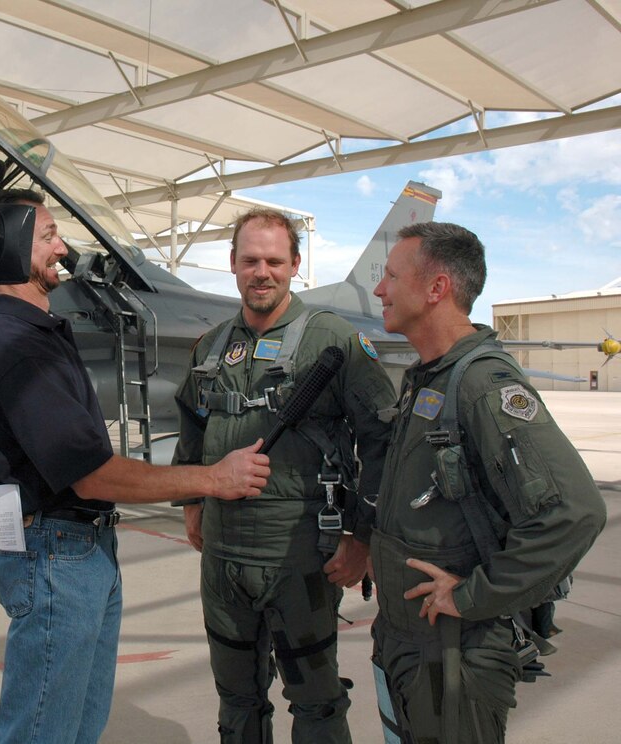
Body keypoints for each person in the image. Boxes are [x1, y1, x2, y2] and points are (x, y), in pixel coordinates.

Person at [0, 188, 273, 744]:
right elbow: (93, 473)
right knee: (42, 732)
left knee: (75, 728)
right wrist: (210, 479)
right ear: (11, 246)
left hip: (80, 551)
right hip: (58, 558)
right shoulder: (18, 346)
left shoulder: (38, 336)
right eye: (47, 236)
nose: (63, 248)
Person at [369, 222, 606, 743]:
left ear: (437, 289)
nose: (380, 289)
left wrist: (474, 595)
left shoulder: (482, 385)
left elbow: (574, 512)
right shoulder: (430, 377)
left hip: (455, 648)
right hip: (410, 641)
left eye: (390, 276)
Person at [173, 206, 396, 743]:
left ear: (295, 265)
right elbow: (192, 426)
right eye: (250, 260)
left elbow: (384, 440)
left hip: (299, 558)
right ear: (232, 264)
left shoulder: (332, 341)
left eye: (275, 260)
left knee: (316, 702)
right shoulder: (212, 348)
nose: (262, 272)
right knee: (237, 701)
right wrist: (192, 504)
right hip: (224, 559)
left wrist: (361, 537)